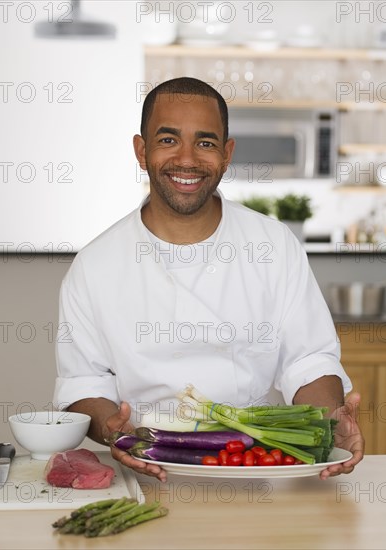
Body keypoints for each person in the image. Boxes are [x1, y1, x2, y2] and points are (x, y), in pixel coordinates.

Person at [54, 77, 364, 482]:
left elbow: (307, 359)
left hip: (258, 467)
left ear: (227, 153)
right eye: (168, 140)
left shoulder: (272, 244)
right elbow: (82, 384)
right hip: (147, 469)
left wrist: (326, 422)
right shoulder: (94, 265)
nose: (187, 159)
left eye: (205, 143)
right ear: (141, 151)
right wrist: (112, 427)